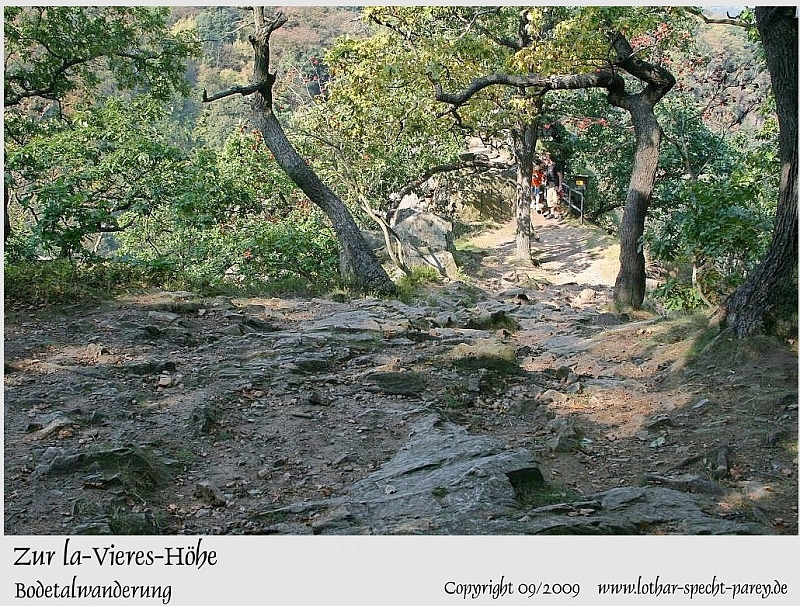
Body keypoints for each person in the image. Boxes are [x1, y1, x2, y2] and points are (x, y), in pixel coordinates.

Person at [543, 154, 564, 219]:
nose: (544, 161)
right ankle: (552, 213)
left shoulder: (555, 165)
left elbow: (560, 175)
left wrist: (560, 185)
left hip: (555, 186)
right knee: (549, 201)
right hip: (549, 186)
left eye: (545, 159)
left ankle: (560, 214)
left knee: (556, 201)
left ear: (549, 159)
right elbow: (546, 176)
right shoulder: (546, 167)